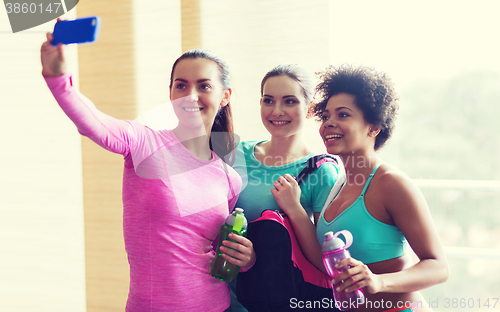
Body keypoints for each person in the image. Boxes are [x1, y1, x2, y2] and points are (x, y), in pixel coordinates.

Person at [40, 29, 255, 312]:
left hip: (218, 306)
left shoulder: (229, 177)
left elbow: (218, 251)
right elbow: (93, 124)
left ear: (225, 96)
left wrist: (246, 259)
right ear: (170, 93)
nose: (190, 95)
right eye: (181, 86)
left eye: (204, 86)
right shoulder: (144, 142)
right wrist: (59, 81)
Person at [272, 64, 449, 312]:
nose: (328, 124)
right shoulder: (337, 184)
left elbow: (438, 266)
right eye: (326, 116)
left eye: (343, 115)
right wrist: (294, 208)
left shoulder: (391, 183)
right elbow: (325, 264)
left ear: (374, 126)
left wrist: (379, 281)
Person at [230, 64, 343, 311]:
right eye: (268, 100)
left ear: (310, 108)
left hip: (277, 303)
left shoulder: (321, 172)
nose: (277, 111)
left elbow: (327, 262)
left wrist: (294, 209)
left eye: (289, 101)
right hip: (223, 300)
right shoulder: (235, 153)